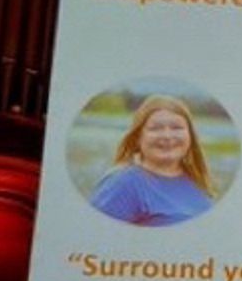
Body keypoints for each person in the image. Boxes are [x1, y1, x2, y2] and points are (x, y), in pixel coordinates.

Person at [88, 94, 217, 226]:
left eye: (176, 128)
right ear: (138, 137)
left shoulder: (197, 180)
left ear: (190, 136)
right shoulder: (123, 183)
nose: (167, 136)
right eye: (155, 128)